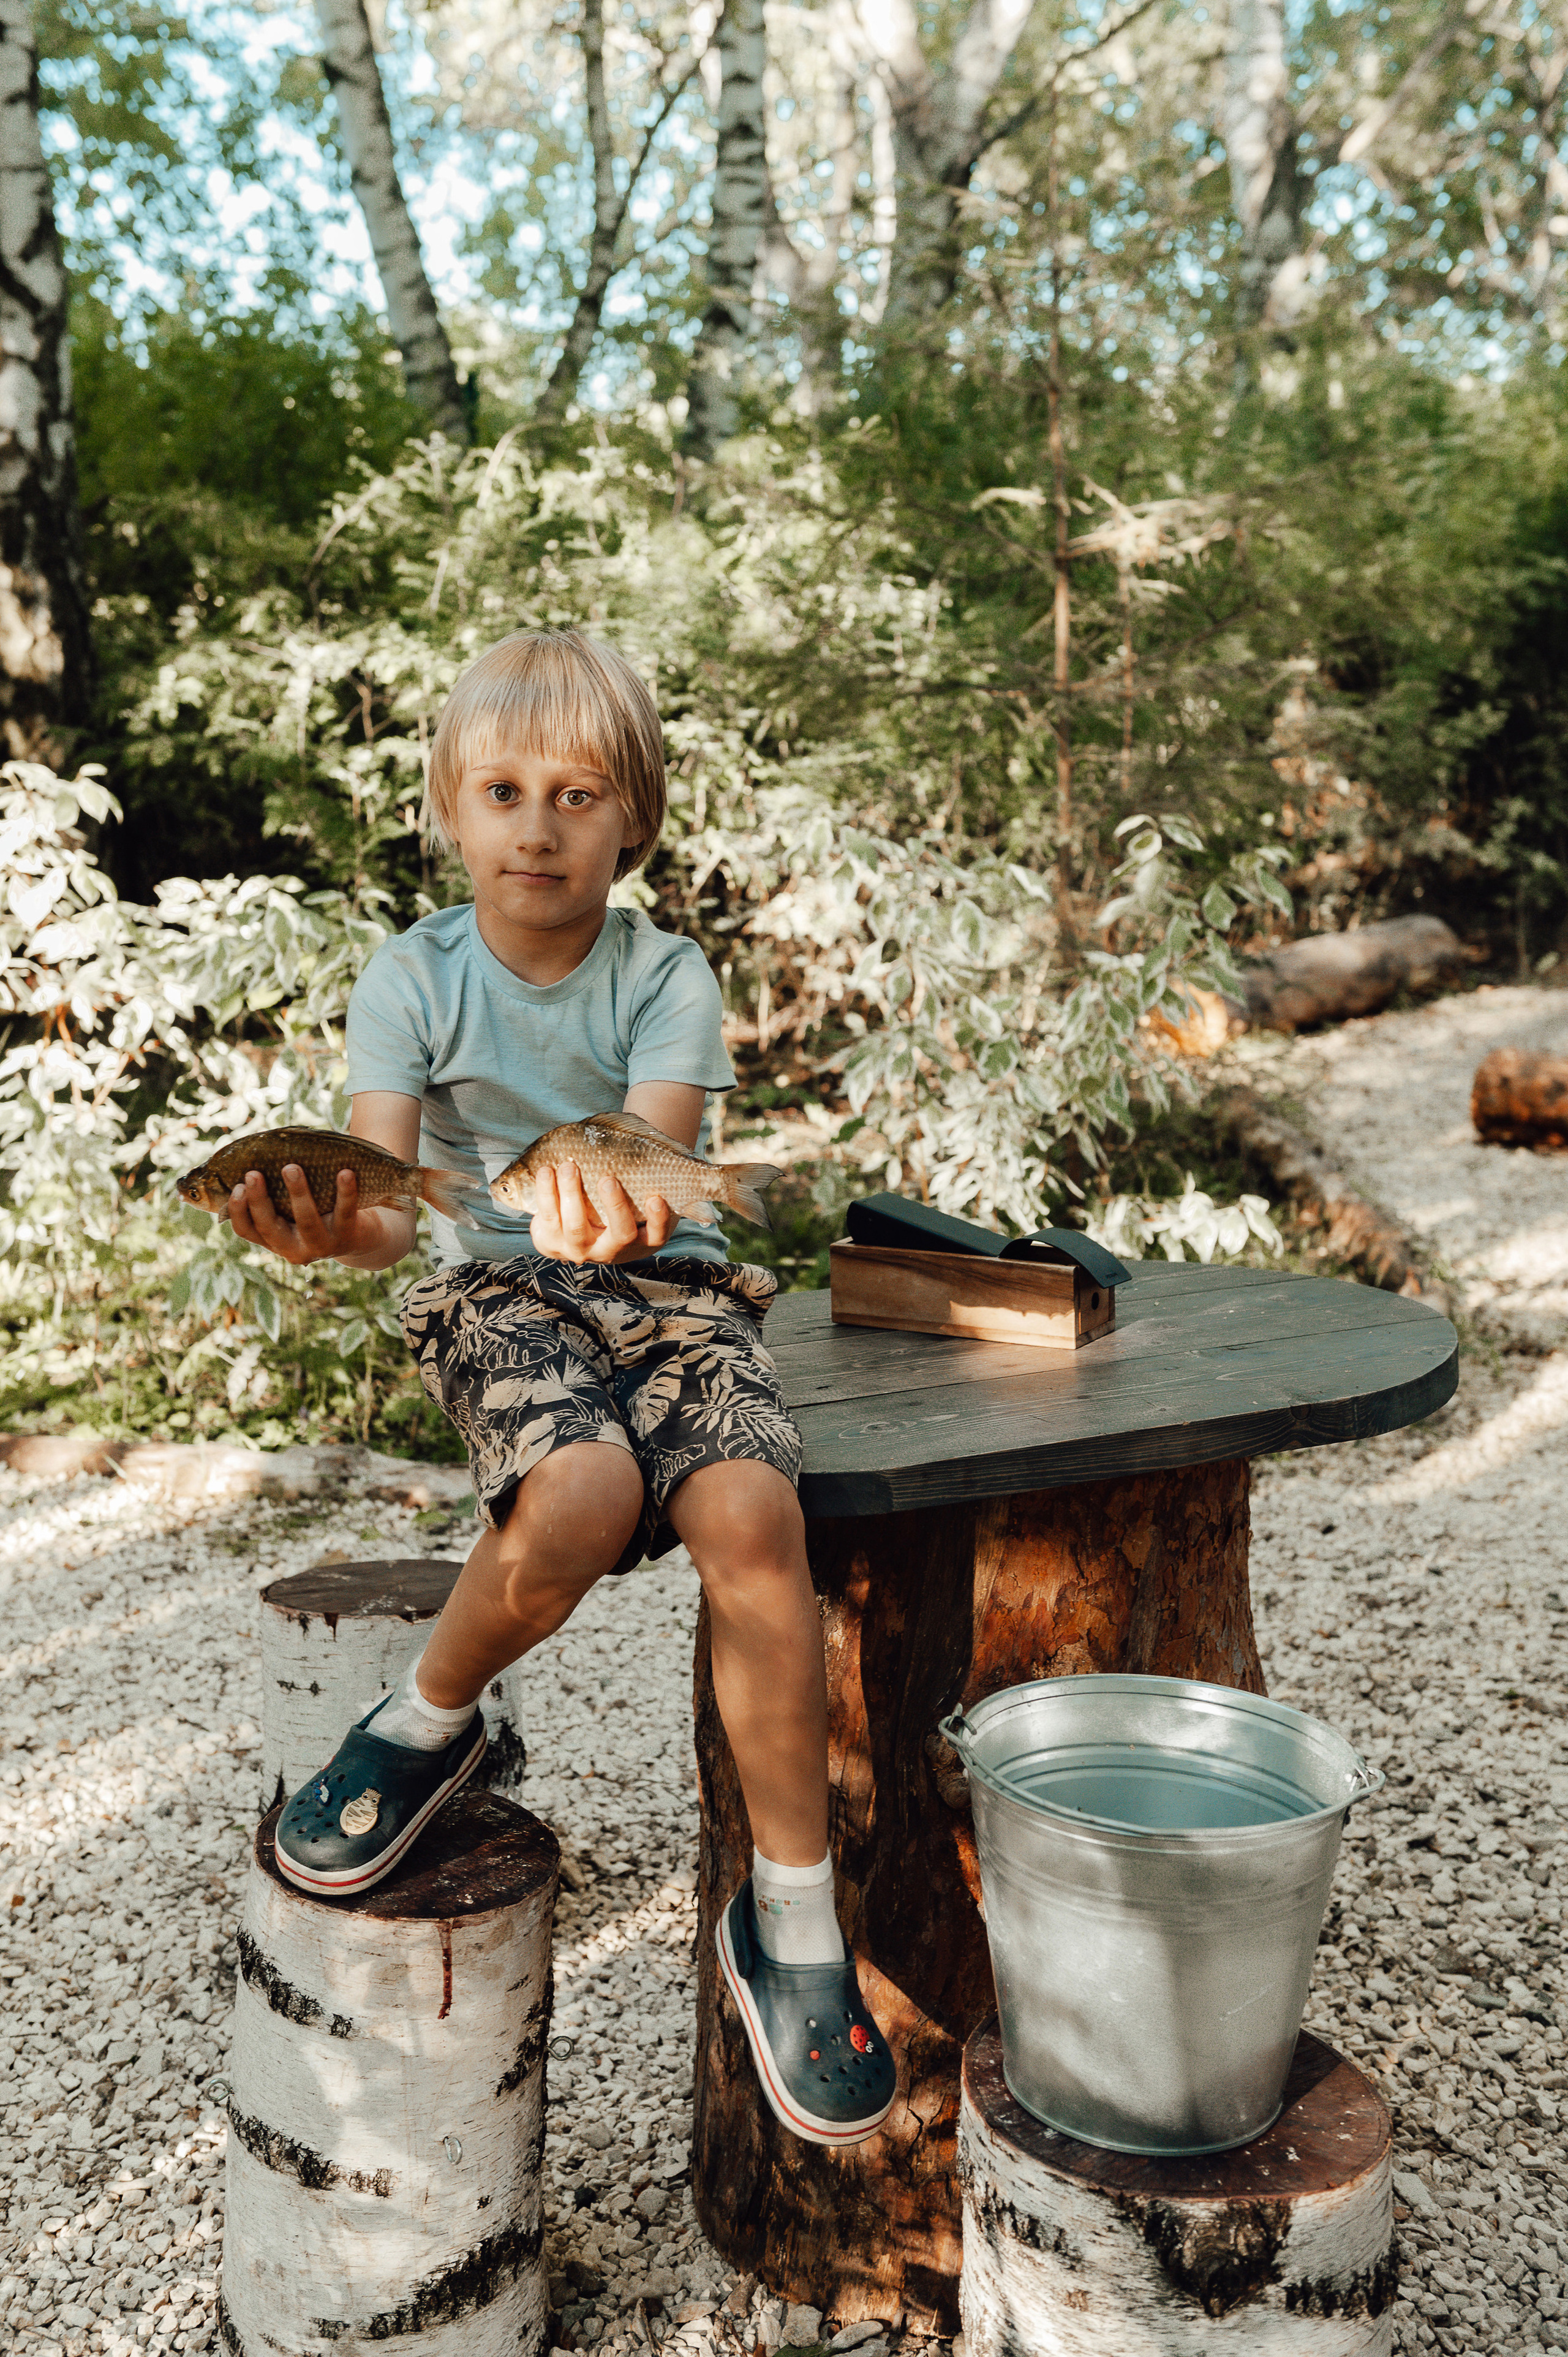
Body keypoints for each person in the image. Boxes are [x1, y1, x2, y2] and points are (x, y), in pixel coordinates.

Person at [227, 627, 894, 2149]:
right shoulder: (410, 975)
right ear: (453, 811)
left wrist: (620, 1200)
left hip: (668, 1280)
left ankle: (790, 1914)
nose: (538, 825)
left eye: (577, 793)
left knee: (749, 1514)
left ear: (630, 817)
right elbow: (392, 1204)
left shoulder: (668, 972)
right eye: (506, 792)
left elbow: (644, 1160)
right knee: (581, 1492)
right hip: (495, 1287)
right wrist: (333, 1225)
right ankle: (428, 1717)